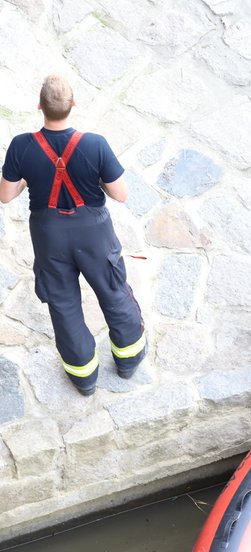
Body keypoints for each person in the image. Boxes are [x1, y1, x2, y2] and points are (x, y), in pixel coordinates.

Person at [0, 75, 146, 396]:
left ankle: (84, 378)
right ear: (73, 105)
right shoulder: (95, 144)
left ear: (40, 106)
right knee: (113, 291)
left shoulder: (22, 146)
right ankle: (128, 360)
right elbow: (120, 194)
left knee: (63, 305)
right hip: (94, 234)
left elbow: (6, 195)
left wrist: (27, 178)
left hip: (49, 236)